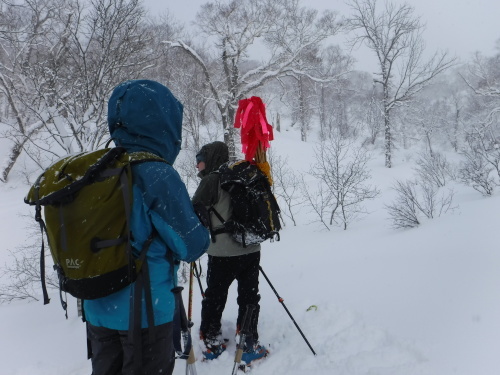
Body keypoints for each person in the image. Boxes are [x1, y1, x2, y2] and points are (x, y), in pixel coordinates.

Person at [83, 80, 210, 375]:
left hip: (97, 310)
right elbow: (191, 246)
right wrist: (199, 220)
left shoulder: (95, 168)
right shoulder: (156, 174)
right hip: (144, 315)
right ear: (164, 123)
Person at [192, 141, 268, 364]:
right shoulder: (245, 173)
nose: (198, 166)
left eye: (200, 160)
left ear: (211, 158)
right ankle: (247, 343)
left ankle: (212, 342)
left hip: (222, 253)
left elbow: (194, 211)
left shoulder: (212, 180)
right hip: (251, 249)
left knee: (215, 296)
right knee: (249, 296)